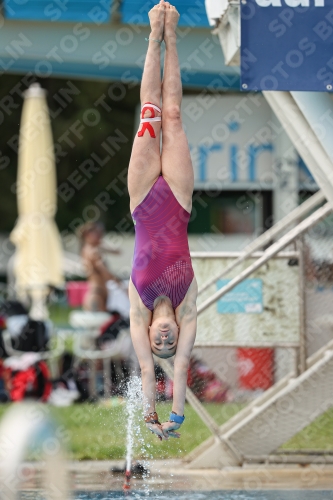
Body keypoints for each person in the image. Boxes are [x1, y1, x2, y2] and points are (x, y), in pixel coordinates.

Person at [128, 0, 197, 440]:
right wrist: (177, 416)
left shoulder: (139, 307)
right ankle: (173, 34)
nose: (167, 341)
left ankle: (153, 32)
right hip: (179, 196)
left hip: (141, 200)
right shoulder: (188, 303)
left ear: (152, 331)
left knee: (151, 111)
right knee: (173, 114)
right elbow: (183, 363)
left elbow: (145, 366)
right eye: (171, 342)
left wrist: (152, 417)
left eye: (161, 342)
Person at [79, 222, 120, 312]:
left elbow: (112, 250)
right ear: (88, 235)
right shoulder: (93, 253)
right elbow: (104, 272)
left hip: (96, 292)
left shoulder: (87, 249)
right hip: (97, 295)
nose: (101, 236)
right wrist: (119, 282)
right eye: (98, 233)